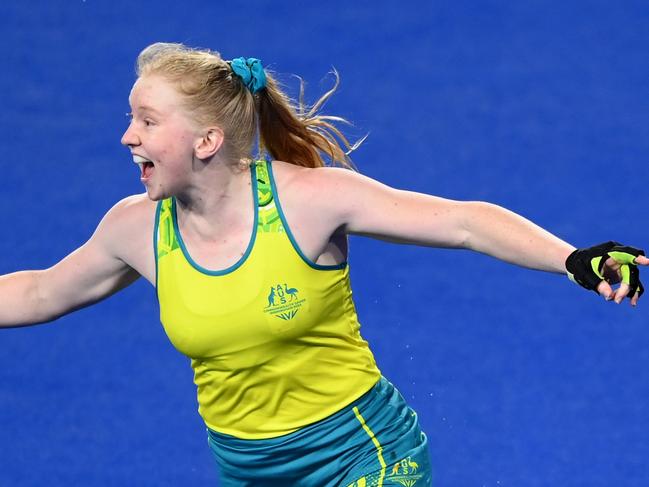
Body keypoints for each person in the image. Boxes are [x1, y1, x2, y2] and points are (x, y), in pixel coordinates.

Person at [1, 42, 646, 487]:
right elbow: (36, 294)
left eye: (145, 120)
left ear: (206, 141)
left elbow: (462, 221)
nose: (127, 136)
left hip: (361, 453)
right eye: (129, 118)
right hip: (247, 469)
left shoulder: (308, 201)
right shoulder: (134, 230)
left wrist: (571, 258)